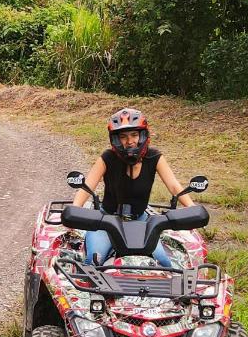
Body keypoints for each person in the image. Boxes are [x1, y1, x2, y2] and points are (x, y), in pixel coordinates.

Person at [72, 107, 194, 267]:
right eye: (123, 137)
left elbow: (173, 186)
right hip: (107, 221)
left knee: (164, 264)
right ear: (115, 139)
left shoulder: (154, 157)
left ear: (143, 135)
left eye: (134, 135)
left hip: (141, 221)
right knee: (93, 262)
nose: (130, 141)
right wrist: (75, 209)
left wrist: (191, 208)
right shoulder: (107, 158)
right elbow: (88, 185)